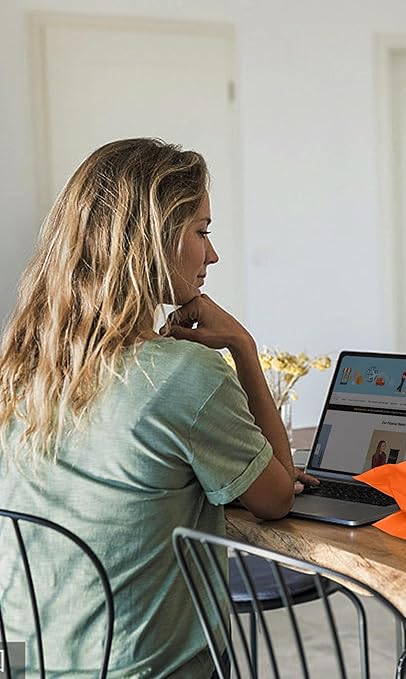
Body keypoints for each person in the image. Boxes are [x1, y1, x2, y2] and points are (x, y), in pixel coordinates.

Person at [0, 138, 317, 678]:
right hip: (148, 669)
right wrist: (241, 345)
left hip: (33, 661)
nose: (212, 255)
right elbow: (276, 497)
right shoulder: (181, 375)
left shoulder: (24, 365)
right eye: (202, 231)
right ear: (153, 238)